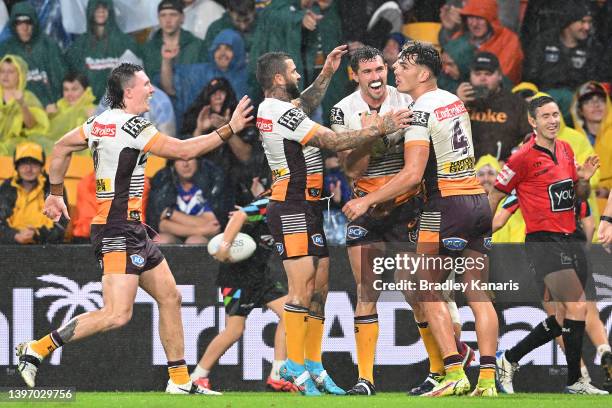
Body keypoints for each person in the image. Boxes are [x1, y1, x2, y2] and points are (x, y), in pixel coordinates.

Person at [16, 62, 254, 394]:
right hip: (116, 230)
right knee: (116, 315)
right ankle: (37, 349)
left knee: (170, 296)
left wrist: (56, 193)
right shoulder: (131, 126)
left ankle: (180, 382)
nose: (152, 90)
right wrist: (228, 129)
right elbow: (184, 150)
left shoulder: (97, 122)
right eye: (146, 84)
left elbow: (60, 148)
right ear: (128, 92)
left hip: (131, 230)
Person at [343, 41, 498, 397]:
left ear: (423, 73)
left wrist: (368, 201)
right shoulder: (453, 101)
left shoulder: (420, 110)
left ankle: (453, 371)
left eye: (403, 64)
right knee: (479, 294)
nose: (395, 69)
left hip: (445, 206)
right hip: (477, 201)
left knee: (424, 288)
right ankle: (487, 380)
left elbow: (413, 174)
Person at [255, 45, 411, 395]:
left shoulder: (281, 108)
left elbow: (305, 103)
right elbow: (331, 140)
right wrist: (381, 127)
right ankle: (293, 367)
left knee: (319, 290)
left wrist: (326, 73)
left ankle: (314, 364)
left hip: (310, 208)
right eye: (294, 71)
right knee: (300, 290)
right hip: (291, 204)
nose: (299, 75)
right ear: (279, 78)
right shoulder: (277, 112)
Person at [489, 96, 602, 394]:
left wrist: (585, 181)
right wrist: (480, 232)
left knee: (561, 319)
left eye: (555, 115)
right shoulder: (521, 158)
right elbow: (496, 195)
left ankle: (510, 359)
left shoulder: (566, 149)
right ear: (532, 121)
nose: (553, 120)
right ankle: (576, 381)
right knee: (578, 305)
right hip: (543, 242)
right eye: (546, 116)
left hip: (571, 238)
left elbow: (578, 195)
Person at [190, 193, 298, 393]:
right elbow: (239, 216)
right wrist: (224, 246)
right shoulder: (270, 203)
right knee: (234, 330)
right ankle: (197, 377)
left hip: (260, 274)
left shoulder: (291, 208)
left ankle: (278, 374)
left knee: (290, 313)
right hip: (237, 275)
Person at [456, 52, 531, 161]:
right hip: (465, 168)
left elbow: (529, 140)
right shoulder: (455, 100)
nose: (482, 78)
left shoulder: (517, 104)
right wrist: (457, 104)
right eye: (477, 74)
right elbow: (441, 135)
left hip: (503, 169)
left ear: (500, 76)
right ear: (470, 76)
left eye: (488, 74)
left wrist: (509, 162)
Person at [65, 0, 141, 103]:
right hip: (88, 109)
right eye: (96, 8)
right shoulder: (79, 45)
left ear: (110, 11)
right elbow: (70, 78)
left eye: (104, 7)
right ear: (90, 11)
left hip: (120, 108)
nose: (100, 11)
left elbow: (137, 76)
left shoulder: (126, 43)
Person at [0, 1, 66, 109]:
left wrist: (58, 104)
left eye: (28, 22)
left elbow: (62, 79)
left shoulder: (48, 45)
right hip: (16, 112)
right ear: (13, 25)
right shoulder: (5, 49)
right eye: (19, 23)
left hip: (50, 110)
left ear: (34, 23)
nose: (24, 28)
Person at [0, 142, 66, 245]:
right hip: (12, 245)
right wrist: (15, 236)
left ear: (41, 166)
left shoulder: (54, 187)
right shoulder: (7, 187)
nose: (29, 169)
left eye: (34, 163)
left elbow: (61, 226)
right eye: (23, 163)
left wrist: (37, 234)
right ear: (16, 167)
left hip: (46, 246)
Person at [154, 158, 222, 244]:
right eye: (179, 159)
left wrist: (171, 214)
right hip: (177, 235)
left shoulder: (211, 180)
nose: (185, 164)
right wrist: (201, 230)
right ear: (173, 163)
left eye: (189, 159)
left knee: (194, 241)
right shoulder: (165, 182)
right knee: (160, 240)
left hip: (206, 238)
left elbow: (212, 223)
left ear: (198, 160)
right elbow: (163, 226)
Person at [456, 0, 524, 84]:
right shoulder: (460, 37)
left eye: (479, 18)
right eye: (470, 18)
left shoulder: (509, 41)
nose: (474, 24)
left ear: (490, 19)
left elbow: (505, 79)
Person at [0, 54, 49, 155]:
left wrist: (22, 104)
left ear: (20, 75)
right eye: (2, 71)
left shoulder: (28, 97)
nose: (5, 76)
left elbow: (32, 126)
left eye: (10, 72)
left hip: (16, 145)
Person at [48, 72, 97, 144]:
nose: (69, 94)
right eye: (66, 89)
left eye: (74, 89)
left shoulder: (95, 111)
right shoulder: (55, 111)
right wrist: (47, 117)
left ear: (86, 90)